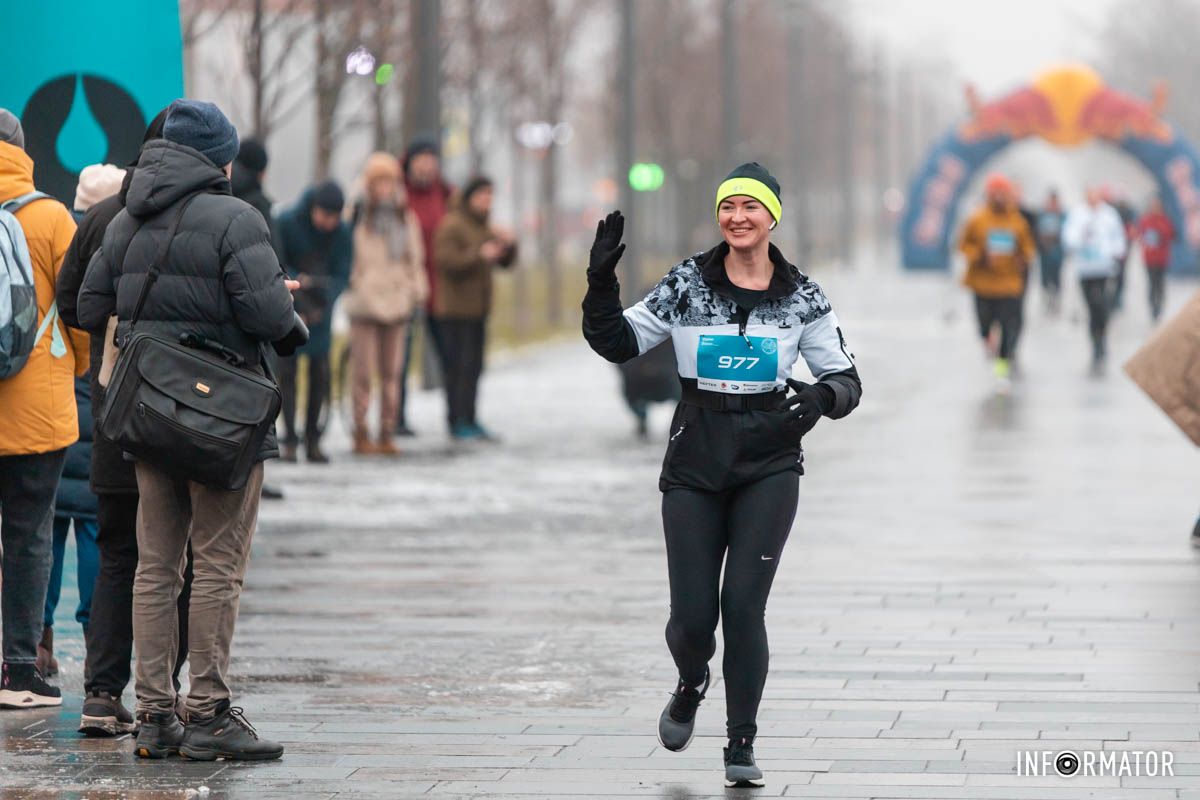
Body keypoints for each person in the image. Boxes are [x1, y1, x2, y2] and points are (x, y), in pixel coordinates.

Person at [582, 163, 862, 787]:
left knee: (743, 606)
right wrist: (601, 281)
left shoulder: (802, 295)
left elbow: (846, 378)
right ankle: (690, 679)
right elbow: (618, 341)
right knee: (691, 620)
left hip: (769, 460)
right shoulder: (688, 283)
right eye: (728, 206)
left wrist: (819, 400)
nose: (738, 216)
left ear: (772, 217)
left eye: (750, 207)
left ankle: (741, 745)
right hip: (696, 458)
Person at [78, 99, 301, 761]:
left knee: (156, 566)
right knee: (217, 567)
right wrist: (287, 308)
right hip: (223, 422)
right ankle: (206, 711)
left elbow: (91, 304)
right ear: (218, 157)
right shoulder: (237, 219)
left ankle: (152, 715)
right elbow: (268, 317)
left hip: (149, 418)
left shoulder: (127, 218)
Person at [56, 111, 196, 737]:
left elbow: (71, 302)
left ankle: (100, 695)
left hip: (114, 405)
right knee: (181, 555)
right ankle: (162, 696)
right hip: (186, 415)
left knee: (118, 553)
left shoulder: (104, 217)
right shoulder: (211, 217)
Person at [0, 108, 89, 710]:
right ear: (23, 152)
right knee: (30, 536)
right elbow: (81, 310)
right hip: (35, 407)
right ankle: (20, 670)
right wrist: (74, 368)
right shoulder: (52, 216)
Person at [36, 164, 126, 680]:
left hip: (53, 409)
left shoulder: (52, 239)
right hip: (101, 415)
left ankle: (36, 639)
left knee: (42, 533)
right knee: (98, 535)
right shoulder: (121, 247)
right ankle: (97, 644)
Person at [345, 153, 428, 454]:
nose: (383, 188)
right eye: (378, 181)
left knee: (393, 373)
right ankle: (361, 429)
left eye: (388, 181)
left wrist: (415, 291)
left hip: (396, 301)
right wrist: (356, 281)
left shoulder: (404, 217)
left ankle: (387, 430)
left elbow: (415, 258)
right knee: (362, 373)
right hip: (365, 301)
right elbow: (345, 254)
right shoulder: (356, 215)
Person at [432, 176, 517, 440]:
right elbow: (444, 261)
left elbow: (505, 263)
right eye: (482, 195)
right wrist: (478, 255)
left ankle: (470, 418)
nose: (486, 201)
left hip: (478, 309)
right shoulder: (453, 224)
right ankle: (456, 420)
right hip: (454, 310)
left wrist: (509, 244)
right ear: (469, 197)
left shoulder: (485, 226)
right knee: (457, 368)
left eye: (490, 196)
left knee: (474, 367)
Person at [276, 180, 351, 463]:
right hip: (292, 305)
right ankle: (291, 440)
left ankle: (313, 439)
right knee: (288, 374)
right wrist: (300, 291)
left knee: (320, 374)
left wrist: (325, 300)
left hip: (322, 309)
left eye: (334, 217)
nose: (328, 223)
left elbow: (343, 272)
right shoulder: (288, 221)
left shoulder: (342, 233)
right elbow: (279, 260)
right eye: (324, 215)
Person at [231, 138, 286, 500]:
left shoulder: (223, 198)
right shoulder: (258, 207)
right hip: (255, 321)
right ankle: (251, 474)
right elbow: (269, 263)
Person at [396, 136, 453, 436]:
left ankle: (457, 416)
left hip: (441, 288)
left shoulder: (445, 192)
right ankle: (397, 417)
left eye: (432, 159)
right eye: (422, 159)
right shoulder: (398, 193)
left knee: (449, 355)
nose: (427, 165)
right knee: (400, 358)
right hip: (406, 287)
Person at [957, 173, 1036, 386]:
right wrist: (981, 256)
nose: (1000, 197)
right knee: (984, 326)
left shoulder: (1017, 221)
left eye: (1004, 192)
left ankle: (1002, 368)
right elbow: (963, 245)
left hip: (1009, 284)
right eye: (996, 192)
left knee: (1008, 326)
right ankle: (987, 339)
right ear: (990, 194)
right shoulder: (977, 219)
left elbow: (1028, 246)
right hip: (983, 284)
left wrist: (1023, 257)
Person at [1063, 187, 1127, 373]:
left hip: (1103, 267)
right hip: (1085, 269)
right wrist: (1081, 236)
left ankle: (1102, 337)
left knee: (1102, 305)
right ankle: (1095, 342)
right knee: (1092, 307)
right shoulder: (1078, 214)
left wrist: (1117, 252)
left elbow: (1117, 237)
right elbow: (1069, 238)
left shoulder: (1109, 214)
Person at [1136, 195, 1175, 321]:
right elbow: (1140, 235)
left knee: (1160, 282)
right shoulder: (1145, 220)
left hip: (1162, 257)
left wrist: (1161, 234)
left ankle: (1160, 301)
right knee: (1152, 282)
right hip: (1149, 258)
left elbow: (1170, 234)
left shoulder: (1165, 219)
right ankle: (1153, 305)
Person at [1036, 190, 1066, 313]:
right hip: (1044, 251)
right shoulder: (1042, 215)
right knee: (1045, 276)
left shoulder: (1062, 215)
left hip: (1057, 251)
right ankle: (1047, 297)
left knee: (1056, 276)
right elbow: (1036, 230)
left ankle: (1055, 298)